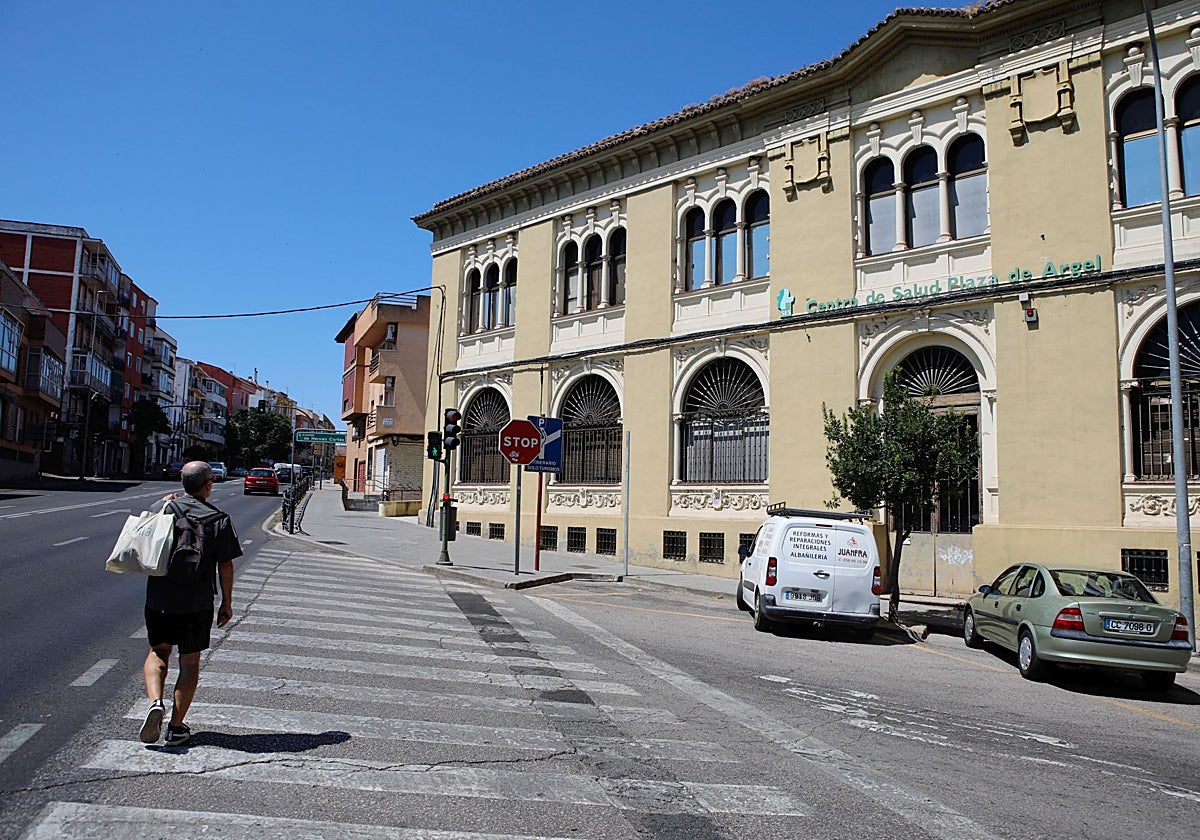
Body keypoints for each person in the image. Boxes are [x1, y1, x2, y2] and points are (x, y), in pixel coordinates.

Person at [139, 460, 242, 746]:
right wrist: (227, 602)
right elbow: (226, 566)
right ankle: (175, 727)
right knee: (190, 661)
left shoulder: (165, 510)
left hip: (159, 597)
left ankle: (155, 702)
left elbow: (143, 537)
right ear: (208, 484)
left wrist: (164, 505)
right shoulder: (218, 519)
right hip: (196, 602)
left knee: (158, 651)